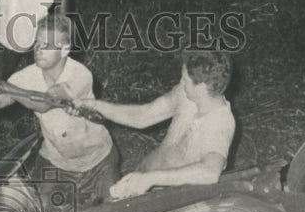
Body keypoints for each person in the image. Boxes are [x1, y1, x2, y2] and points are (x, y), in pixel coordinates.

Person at [0, 13, 118, 208]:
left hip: (99, 160)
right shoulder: (25, 77)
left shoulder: (80, 75)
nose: (39, 49)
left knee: (115, 211)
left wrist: (5, 86)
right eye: (37, 43)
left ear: (65, 49)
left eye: (47, 45)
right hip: (58, 163)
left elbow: (45, 101)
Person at [78, 51, 236, 199]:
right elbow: (143, 115)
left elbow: (210, 172)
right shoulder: (187, 95)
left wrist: (151, 179)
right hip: (142, 175)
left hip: (164, 199)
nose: (181, 83)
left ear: (201, 87)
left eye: (185, 80)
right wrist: (95, 106)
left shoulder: (219, 123)